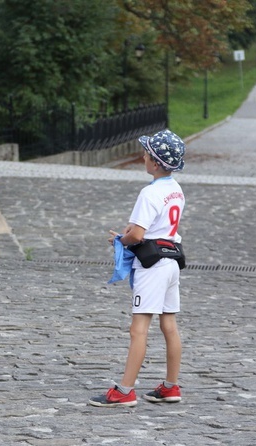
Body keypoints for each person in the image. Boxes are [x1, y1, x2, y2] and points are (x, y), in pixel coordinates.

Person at [89, 129, 186, 407]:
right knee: (169, 324)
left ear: (154, 163)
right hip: (171, 261)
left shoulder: (149, 193)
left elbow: (138, 234)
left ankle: (125, 390)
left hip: (152, 265)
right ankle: (170, 386)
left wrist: (121, 240)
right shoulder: (176, 190)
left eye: (146, 154)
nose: (143, 157)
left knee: (138, 329)